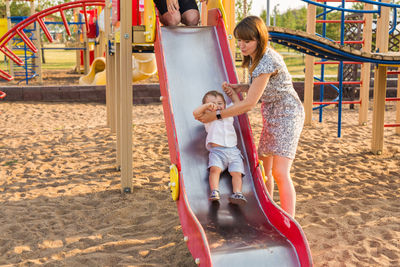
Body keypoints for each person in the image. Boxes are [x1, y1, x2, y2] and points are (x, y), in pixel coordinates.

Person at [195, 16, 305, 217]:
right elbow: (266, 87)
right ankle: (270, 210)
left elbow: (249, 104)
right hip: (272, 113)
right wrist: (243, 87)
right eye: (239, 40)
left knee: (280, 172)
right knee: (265, 168)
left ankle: (289, 219)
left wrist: (216, 115)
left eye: (247, 41)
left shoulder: (267, 60)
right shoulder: (258, 57)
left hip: (288, 114)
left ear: (259, 39)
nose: (242, 45)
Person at [193, 90, 247, 206]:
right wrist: (207, 106)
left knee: (237, 173)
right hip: (217, 152)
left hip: (233, 151)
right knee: (214, 170)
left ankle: (237, 193)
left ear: (225, 105)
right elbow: (195, 113)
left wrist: (231, 93)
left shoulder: (228, 113)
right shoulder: (207, 117)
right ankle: (215, 191)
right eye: (212, 103)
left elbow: (238, 104)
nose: (217, 105)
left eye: (220, 103)